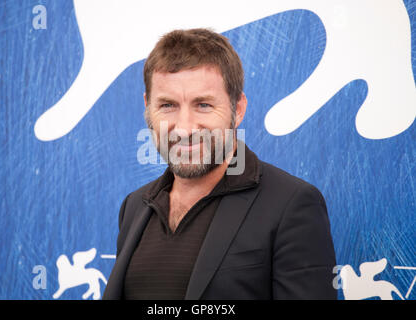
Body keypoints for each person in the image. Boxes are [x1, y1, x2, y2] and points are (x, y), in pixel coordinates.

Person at [103, 28, 337, 300]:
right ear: (148, 108)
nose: (185, 128)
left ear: (237, 109)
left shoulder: (291, 205)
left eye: (203, 105)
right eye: (167, 105)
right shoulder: (135, 206)